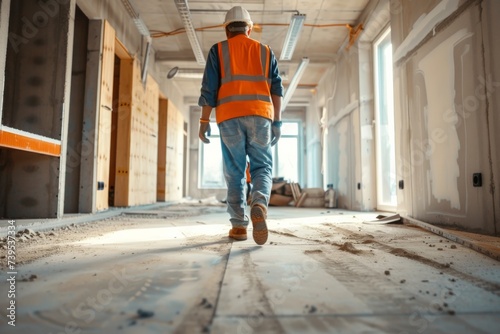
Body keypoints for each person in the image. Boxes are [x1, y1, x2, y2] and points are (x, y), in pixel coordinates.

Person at [198, 6, 284, 245]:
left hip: (229, 116)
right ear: (249, 27)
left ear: (227, 29)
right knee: (262, 168)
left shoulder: (218, 50)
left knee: (235, 172)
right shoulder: (265, 51)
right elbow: (277, 89)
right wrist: (277, 121)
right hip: (260, 116)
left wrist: (204, 121)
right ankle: (259, 204)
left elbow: (209, 88)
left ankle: (238, 226)